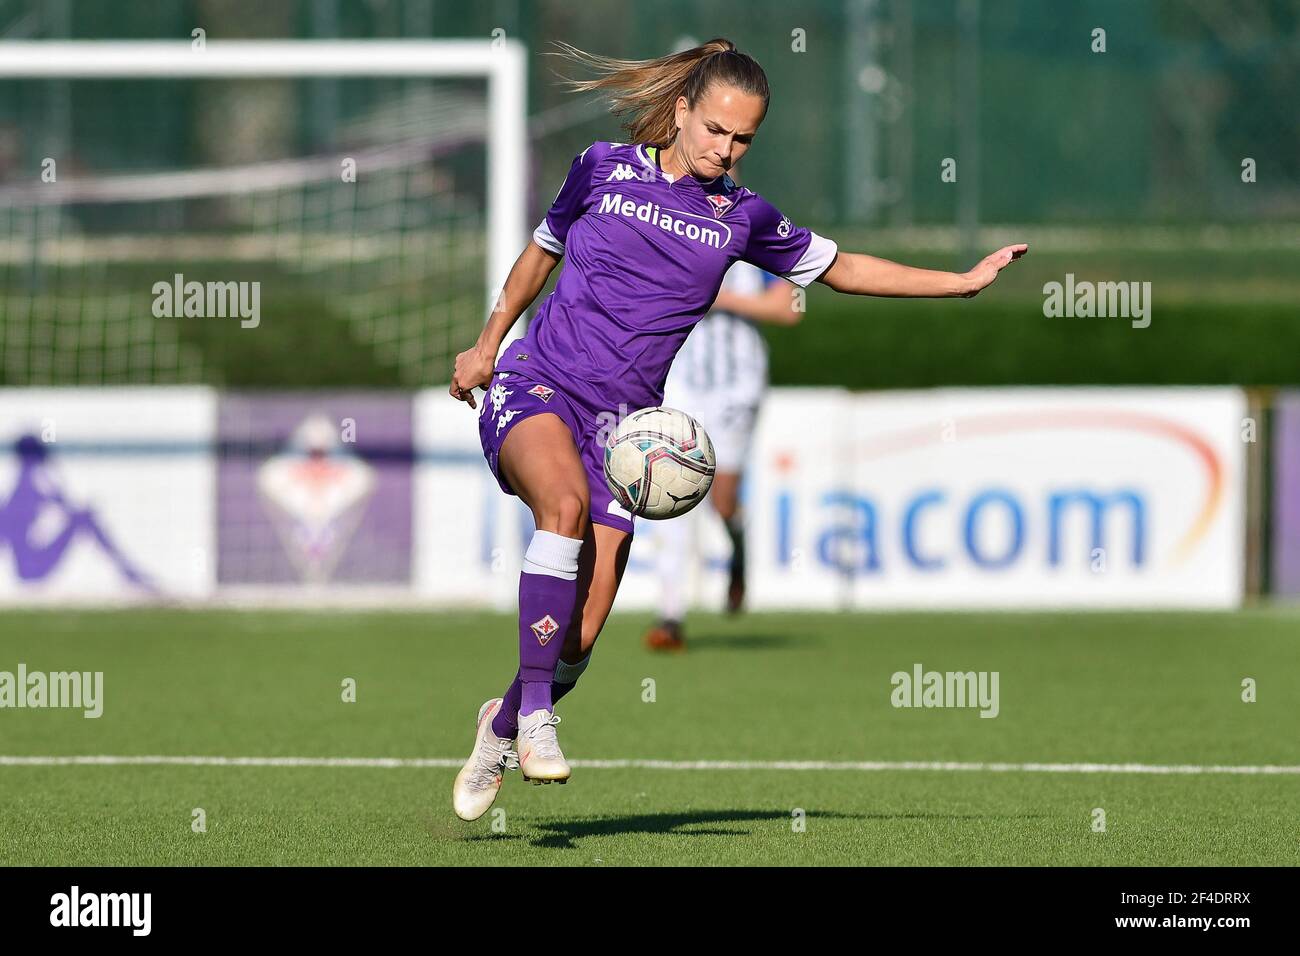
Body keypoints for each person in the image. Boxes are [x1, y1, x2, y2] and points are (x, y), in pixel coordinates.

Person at [448, 38, 1026, 821]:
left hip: (625, 432)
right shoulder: (601, 166)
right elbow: (538, 255)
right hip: (536, 383)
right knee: (563, 510)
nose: (726, 149)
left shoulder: (743, 218)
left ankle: (502, 726)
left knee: (578, 637)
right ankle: (539, 719)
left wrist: (958, 283)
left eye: (743, 138)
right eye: (716, 129)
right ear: (683, 112)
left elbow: (844, 267)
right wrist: (487, 346)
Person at [643, 248, 800, 652]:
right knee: (667, 492)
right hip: (680, 383)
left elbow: (790, 308)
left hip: (737, 388)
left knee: (722, 501)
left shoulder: (759, 239)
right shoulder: (669, 227)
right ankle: (670, 616)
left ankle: (737, 541)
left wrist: (719, 298)